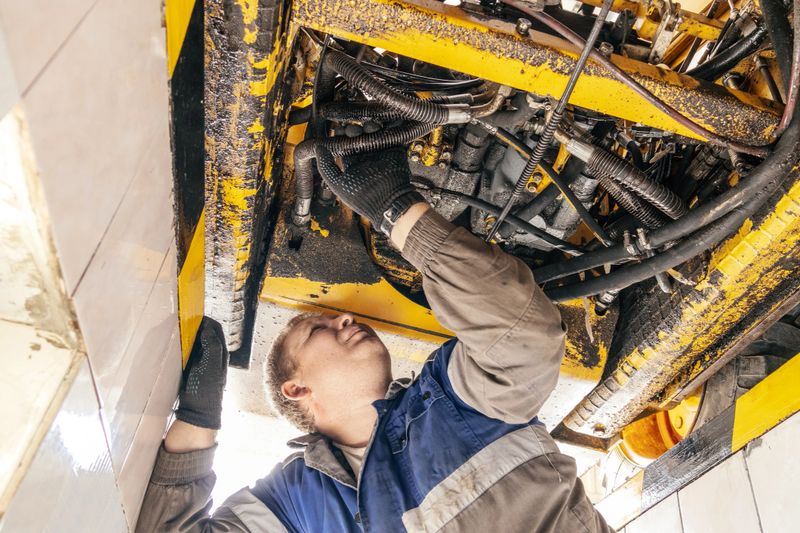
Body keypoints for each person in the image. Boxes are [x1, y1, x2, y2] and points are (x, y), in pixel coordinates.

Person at [137, 150, 613, 532]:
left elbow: (523, 336)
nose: (343, 317)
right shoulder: (295, 504)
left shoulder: (448, 401)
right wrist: (198, 422)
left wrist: (401, 214)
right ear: (295, 388)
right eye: (315, 329)